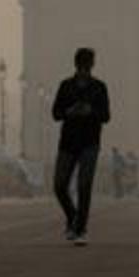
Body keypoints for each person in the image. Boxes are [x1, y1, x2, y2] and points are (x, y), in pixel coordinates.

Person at [51, 47, 111, 246]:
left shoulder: (99, 87)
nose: (85, 67)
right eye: (83, 64)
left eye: (87, 64)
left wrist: (90, 111)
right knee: (59, 186)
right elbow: (56, 113)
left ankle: (80, 229)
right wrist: (70, 111)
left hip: (89, 143)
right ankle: (74, 217)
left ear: (91, 65)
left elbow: (106, 116)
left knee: (84, 186)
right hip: (68, 142)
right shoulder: (65, 86)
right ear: (78, 64)